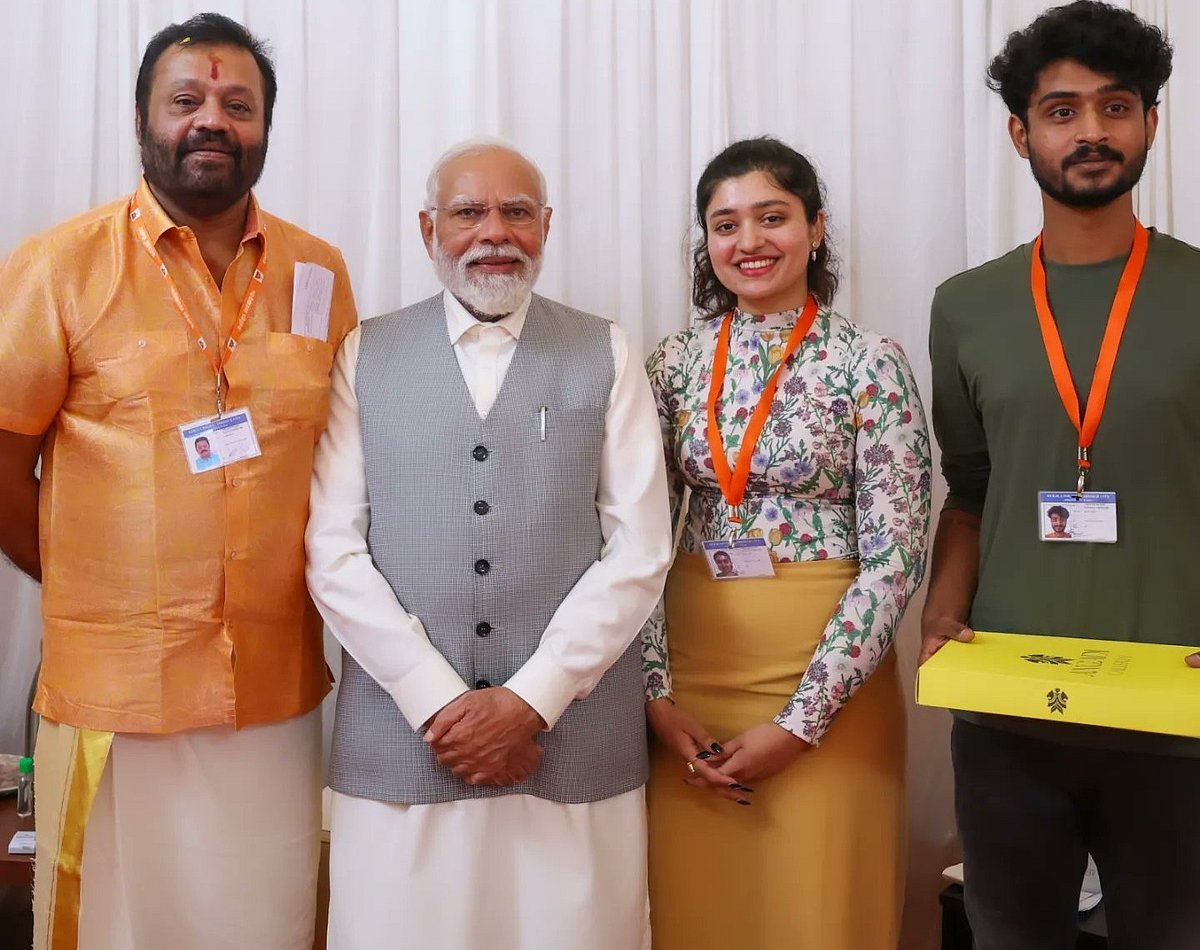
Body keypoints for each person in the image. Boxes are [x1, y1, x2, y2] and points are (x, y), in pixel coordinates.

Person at [0, 13, 357, 949]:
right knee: (117, 922)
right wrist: (94, 586)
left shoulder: (319, 272)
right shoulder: (57, 267)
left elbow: (346, 460)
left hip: (274, 694)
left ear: (266, 130)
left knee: (265, 920)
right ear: (142, 120)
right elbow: (0, 453)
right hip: (117, 690)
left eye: (238, 105)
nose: (213, 121)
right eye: (187, 101)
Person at [305, 139, 672, 949]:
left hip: (571, 750)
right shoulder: (366, 351)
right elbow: (334, 549)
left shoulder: (605, 348)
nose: (492, 233)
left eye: (516, 213)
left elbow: (641, 547)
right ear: (428, 228)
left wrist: (530, 699)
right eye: (469, 212)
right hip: (404, 746)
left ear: (547, 225)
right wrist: (437, 700)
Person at [924, 4, 1200, 948]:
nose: (1091, 131)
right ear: (1020, 131)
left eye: (1116, 106)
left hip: (1177, 713)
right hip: (1010, 712)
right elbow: (969, 489)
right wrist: (940, 615)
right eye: (1062, 110)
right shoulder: (965, 308)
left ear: (1151, 123)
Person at [642, 137, 931, 950]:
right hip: (692, 695)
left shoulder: (870, 363)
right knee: (697, 917)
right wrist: (657, 702)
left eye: (772, 217)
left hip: (832, 698)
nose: (749, 241)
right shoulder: (673, 363)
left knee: (818, 914)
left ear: (815, 227)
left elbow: (896, 559)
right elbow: (634, 544)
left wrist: (800, 723)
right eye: (725, 224)